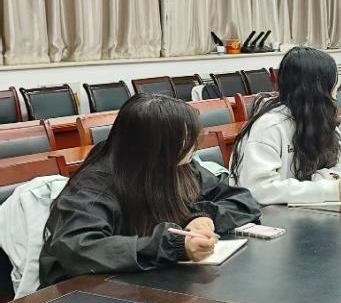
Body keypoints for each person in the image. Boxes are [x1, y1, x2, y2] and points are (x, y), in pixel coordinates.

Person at [39, 94, 261, 287]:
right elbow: (79, 248)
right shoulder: (94, 186)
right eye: (182, 141)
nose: (194, 147)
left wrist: (201, 216)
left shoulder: (178, 166)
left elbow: (242, 200)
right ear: (153, 146)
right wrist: (173, 246)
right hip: (88, 294)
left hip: (153, 282)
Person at [230, 46, 341, 204]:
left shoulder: (321, 119)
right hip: (269, 215)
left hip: (310, 209)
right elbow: (259, 189)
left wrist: (320, 183)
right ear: (318, 90)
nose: (335, 95)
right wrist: (327, 189)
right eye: (333, 87)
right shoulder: (269, 127)